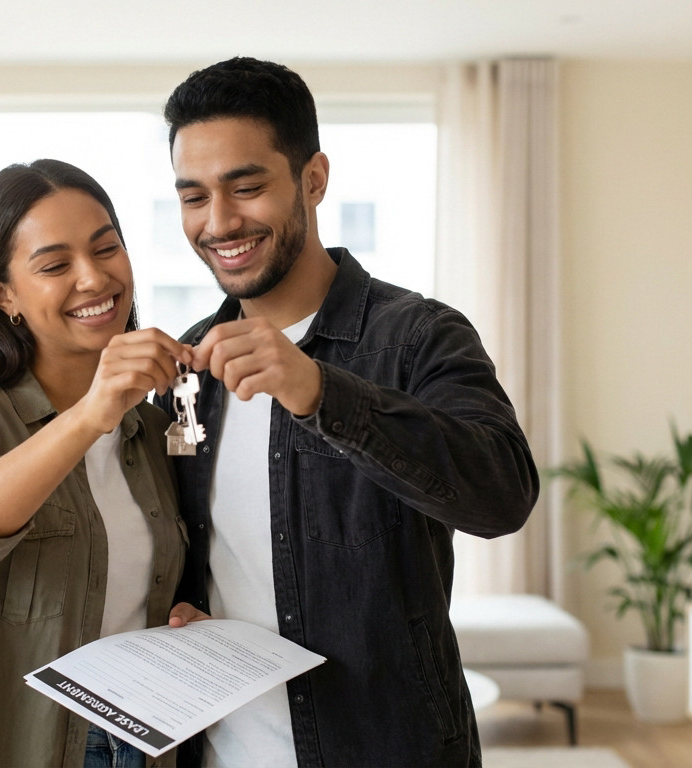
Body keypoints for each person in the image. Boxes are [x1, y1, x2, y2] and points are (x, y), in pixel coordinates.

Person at [160, 58, 539, 767]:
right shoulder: (189, 366)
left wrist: (319, 391)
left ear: (313, 179)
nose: (218, 222)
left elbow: (503, 495)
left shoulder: (418, 335)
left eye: (246, 186)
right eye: (193, 196)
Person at [0, 159, 193, 768]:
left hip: (140, 741)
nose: (93, 278)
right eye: (56, 265)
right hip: (8, 742)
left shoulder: (157, 424)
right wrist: (91, 414)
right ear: (2, 293)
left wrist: (192, 612)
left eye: (106, 248)